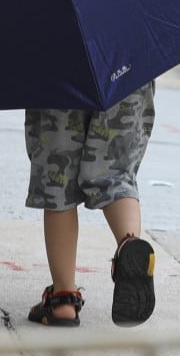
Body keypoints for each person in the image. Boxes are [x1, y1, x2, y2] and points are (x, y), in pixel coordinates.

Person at [25, 81, 157, 327]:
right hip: (124, 65)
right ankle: (129, 245)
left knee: (58, 181)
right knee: (116, 174)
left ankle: (63, 300)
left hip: (59, 71)